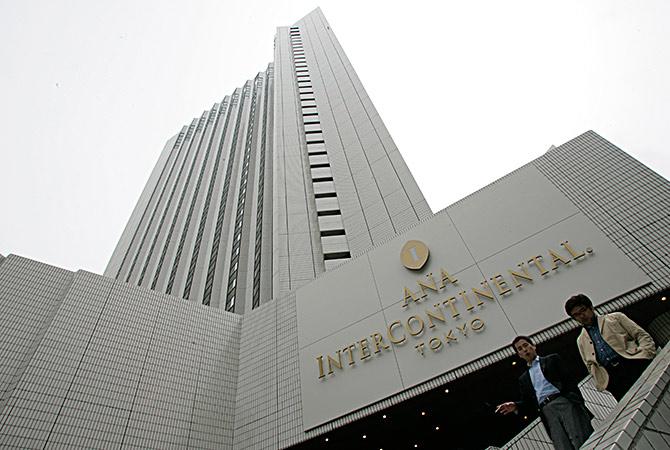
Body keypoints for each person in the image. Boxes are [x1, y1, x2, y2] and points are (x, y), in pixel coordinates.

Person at [496, 336, 594, 450]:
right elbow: (528, 402)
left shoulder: (551, 359)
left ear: (533, 346)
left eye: (526, 345)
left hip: (563, 401)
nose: (524, 349)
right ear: (519, 355)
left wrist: (577, 401)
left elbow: (568, 380)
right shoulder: (524, 378)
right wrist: (516, 405)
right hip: (546, 411)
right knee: (561, 444)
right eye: (520, 349)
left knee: (580, 437)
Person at [565, 294, 656, 401]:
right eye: (576, 315)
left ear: (591, 307)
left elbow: (640, 334)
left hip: (632, 362)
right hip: (612, 377)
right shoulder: (581, 340)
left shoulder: (615, 318)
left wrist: (645, 353)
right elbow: (589, 364)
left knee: (654, 392)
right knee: (632, 405)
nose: (582, 316)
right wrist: (601, 379)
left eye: (583, 310)